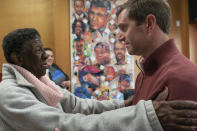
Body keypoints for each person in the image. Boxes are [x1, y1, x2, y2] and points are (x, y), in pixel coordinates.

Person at [1, 28, 197, 131]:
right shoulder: (9, 93)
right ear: (17, 58)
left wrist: (127, 105)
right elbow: (65, 124)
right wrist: (145, 116)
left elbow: (79, 106)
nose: (46, 56)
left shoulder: (43, 81)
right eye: (38, 50)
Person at [116, 0, 197, 116]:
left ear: (149, 24)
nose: (120, 37)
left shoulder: (183, 77)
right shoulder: (142, 75)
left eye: (124, 28)